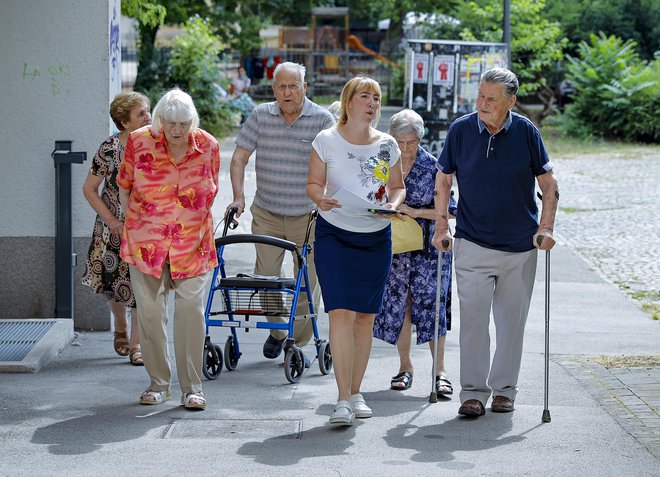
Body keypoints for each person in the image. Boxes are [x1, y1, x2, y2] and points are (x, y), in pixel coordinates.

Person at [432, 68, 559, 418]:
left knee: (511, 325)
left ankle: (505, 391)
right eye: (480, 97)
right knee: (473, 322)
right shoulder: (461, 130)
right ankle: (472, 393)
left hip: (519, 247)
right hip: (473, 242)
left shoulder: (526, 132)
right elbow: (443, 182)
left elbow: (549, 185)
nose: (483, 104)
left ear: (510, 101)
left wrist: (546, 227)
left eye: (491, 99)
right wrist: (441, 227)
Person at [307, 76, 405, 425]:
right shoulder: (326, 140)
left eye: (377, 97)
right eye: (365, 96)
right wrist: (320, 198)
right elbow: (314, 184)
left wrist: (392, 206)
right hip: (334, 233)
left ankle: (357, 391)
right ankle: (342, 400)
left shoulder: (387, 144)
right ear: (348, 102)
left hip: (375, 238)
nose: (372, 103)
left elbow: (397, 187)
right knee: (340, 314)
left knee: (365, 317)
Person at [117, 88, 221, 410]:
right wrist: (133, 225)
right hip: (146, 243)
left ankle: (192, 388)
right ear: (159, 118)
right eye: (170, 123)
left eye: (183, 123)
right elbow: (125, 188)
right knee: (150, 314)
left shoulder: (208, 145)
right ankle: (158, 382)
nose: (176, 130)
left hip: (193, 243)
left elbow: (211, 189)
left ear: (193, 120)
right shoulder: (138, 141)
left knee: (190, 313)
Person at [227, 62, 335, 364]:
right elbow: (239, 158)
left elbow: (334, 164)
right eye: (281, 87)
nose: (287, 92)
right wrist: (238, 196)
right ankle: (277, 331)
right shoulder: (261, 115)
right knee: (266, 277)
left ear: (305, 87)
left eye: (293, 86)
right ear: (274, 89)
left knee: (307, 281)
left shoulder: (322, 119)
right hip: (268, 212)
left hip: (308, 215)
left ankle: (295, 340)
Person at [373, 109, 457, 395]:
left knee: (433, 309)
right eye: (400, 142)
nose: (406, 149)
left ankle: (440, 371)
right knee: (401, 307)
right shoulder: (382, 164)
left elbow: (450, 211)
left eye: (411, 142)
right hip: (396, 248)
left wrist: (414, 210)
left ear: (420, 140)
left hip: (429, 249)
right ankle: (405, 367)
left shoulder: (434, 167)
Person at [82, 91, 151, 366]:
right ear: (125, 123)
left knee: (141, 287)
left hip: (144, 229)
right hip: (111, 228)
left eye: (148, 110)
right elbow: (89, 189)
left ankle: (137, 345)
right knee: (113, 284)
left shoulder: (156, 145)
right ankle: (120, 326)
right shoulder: (109, 149)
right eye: (142, 114)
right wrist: (112, 221)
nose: (148, 117)